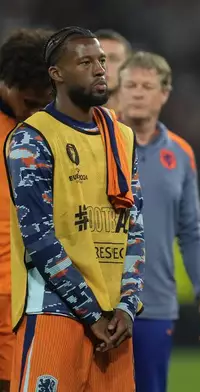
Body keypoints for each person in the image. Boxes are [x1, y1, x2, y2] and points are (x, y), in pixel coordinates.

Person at [4, 26, 144, 391]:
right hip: (55, 311)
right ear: (57, 74)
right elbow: (39, 237)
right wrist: (91, 311)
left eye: (101, 60)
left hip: (114, 321)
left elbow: (134, 227)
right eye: (85, 62)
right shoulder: (30, 138)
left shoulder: (122, 136)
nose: (100, 69)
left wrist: (128, 305)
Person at [116, 50, 200, 392]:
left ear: (164, 94)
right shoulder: (95, 142)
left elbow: (191, 232)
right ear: (118, 90)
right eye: (130, 84)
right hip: (98, 301)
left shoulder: (180, 153)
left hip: (155, 302)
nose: (137, 92)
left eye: (147, 85)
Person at [0, 27, 53, 392]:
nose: (34, 112)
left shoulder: (55, 130)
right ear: (6, 83)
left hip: (25, 293)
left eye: (42, 102)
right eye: (28, 101)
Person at [95, 29, 131, 110]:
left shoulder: (142, 119)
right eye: (98, 59)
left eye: (113, 59)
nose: (104, 66)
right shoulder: (66, 117)